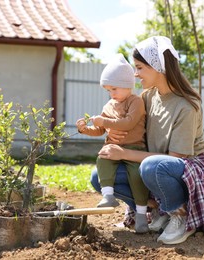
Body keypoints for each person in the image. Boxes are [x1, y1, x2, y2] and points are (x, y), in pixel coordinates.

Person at [90, 36, 204, 244]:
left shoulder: (187, 106)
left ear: (158, 67)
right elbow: (129, 124)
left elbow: (176, 158)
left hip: (187, 169)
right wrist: (114, 134)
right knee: (99, 177)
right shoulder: (149, 97)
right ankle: (157, 210)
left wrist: (124, 154)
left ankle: (181, 214)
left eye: (140, 67)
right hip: (153, 165)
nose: (135, 73)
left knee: (152, 167)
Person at [76, 53, 150, 233]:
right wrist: (85, 129)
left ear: (127, 85)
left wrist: (104, 122)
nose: (111, 93)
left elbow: (129, 123)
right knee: (102, 158)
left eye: (114, 89)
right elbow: (100, 130)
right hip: (113, 147)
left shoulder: (136, 101)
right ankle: (108, 195)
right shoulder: (109, 105)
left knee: (136, 177)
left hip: (134, 148)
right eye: (108, 90)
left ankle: (141, 217)